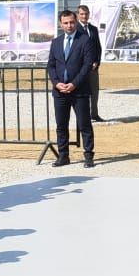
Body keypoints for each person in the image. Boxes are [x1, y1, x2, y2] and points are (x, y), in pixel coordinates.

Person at [45, 9, 93, 168]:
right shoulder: (56, 42)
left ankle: (88, 155)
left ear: (76, 21)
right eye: (66, 23)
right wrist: (56, 83)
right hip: (60, 91)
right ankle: (63, 156)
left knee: (84, 123)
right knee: (61, 125)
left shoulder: (85, 40)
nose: (69, 25)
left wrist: (74, 84)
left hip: (79, 90)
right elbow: (51, 66)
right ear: (61, 24)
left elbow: (87, 66)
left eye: (72, 22)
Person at [76, 3, 103, 122]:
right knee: (82, 92)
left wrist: (96, 62)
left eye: (86, 14)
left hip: (92, 68)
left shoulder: (93, 29)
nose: (84, 16)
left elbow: (98, 47)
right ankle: (84, 116)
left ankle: (94, 114)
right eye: (81, 14)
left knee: (94, 91)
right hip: (80, 67)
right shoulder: (74, 29)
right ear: (78, 15)